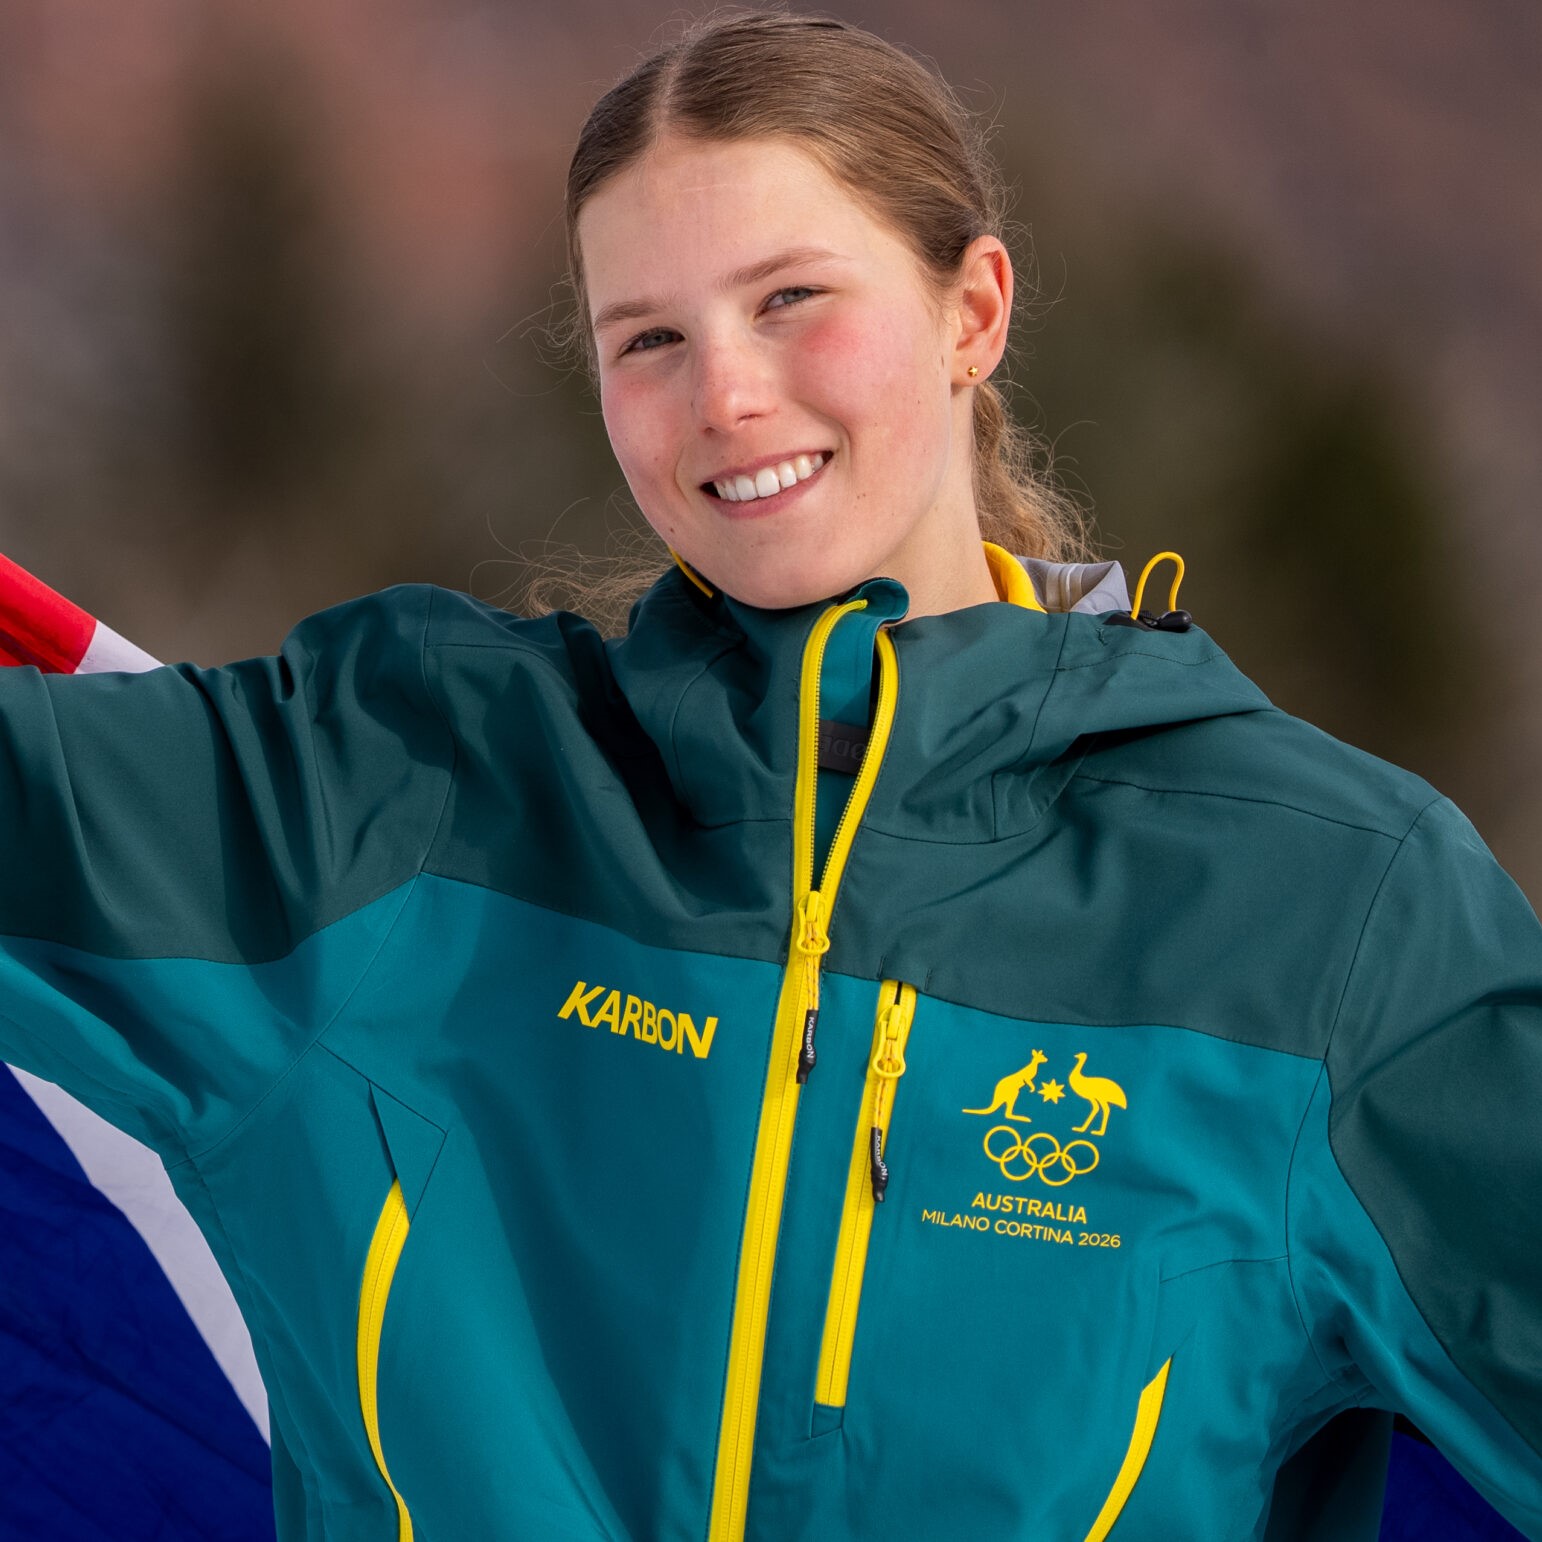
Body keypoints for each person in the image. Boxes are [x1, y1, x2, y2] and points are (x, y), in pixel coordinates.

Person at [2, 11, 1540, 1540]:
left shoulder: (1327, 912)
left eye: (790, 299)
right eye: (648, 339)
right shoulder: (404, 784)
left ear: (972, 310)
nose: (724, 394)